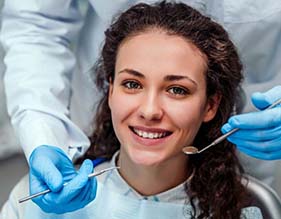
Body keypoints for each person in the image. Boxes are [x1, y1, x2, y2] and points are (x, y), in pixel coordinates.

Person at [0, 0, 280, 214]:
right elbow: (35, 23)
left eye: (177, 89)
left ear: (211, 104)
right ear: (110, 89)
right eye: (132, 84)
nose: (149, 110)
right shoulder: (29, 204)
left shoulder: (256, 209)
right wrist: (43, 134)